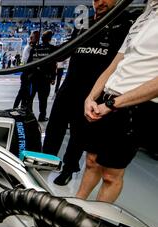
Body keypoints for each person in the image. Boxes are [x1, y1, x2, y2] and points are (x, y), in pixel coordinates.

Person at [42, 0, 133, 186]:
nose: (100, 3)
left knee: (79, 132)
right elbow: (68, 48)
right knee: (54, 126)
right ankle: (43, 162)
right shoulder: (85, 22)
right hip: (69, 84)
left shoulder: (126, 23)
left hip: (93, 90)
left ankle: (69, 168)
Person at [76, 0, 158, 203]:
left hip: (135, 106)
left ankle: (95, 224)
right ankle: (75, 207)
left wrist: (113, 104)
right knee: (92, 161)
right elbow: (117, 61)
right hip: (108, 98)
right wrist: (92, 96)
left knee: (111, 175)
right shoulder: (146, 14)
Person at [25, 30, 57, 121]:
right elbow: (53, 64)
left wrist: (28, 75)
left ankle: (28, 115)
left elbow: (29, 63)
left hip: (34, 77)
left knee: (30, 97)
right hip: (45, 79)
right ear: (50, 39)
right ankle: (42, 116)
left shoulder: (35, 48)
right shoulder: (52, 49)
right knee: (43, 99)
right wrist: (53, 77)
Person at [13, 31, 40, 108]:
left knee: (25, 93)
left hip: (29, 74)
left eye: (32, 37)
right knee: (23, 92)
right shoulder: (29, 48)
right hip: (27, 74)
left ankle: (22, 107)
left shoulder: (31, 47)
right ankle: (15, 107)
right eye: (31, 37)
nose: (30, 39)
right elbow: (26, 62)